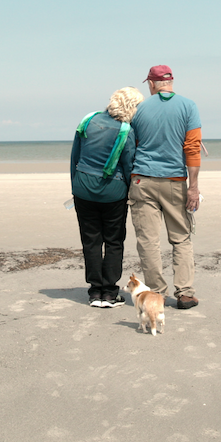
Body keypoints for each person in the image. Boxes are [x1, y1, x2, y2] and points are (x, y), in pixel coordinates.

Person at [128, 65, 202, 309]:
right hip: (175, 181)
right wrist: (194, 187)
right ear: (171, 82)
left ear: (151, 84)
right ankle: (185, 293)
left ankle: (157, 293)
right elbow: (192, 148)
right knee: (181, 238)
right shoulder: (188, 106)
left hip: (142, 180)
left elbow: (130, 146)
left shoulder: (138, 108)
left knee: (148, 240)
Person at [70, 87, 145, 308]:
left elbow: (75, 156)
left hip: (83, 188)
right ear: (131, 107)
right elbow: (128, 164)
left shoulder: (88, 120)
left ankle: (95, 292)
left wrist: (75, 186)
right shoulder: (126, 130)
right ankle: (110, 293)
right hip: (113, 193)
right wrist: (132, 192)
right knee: (113, 241)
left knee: (90, 240)